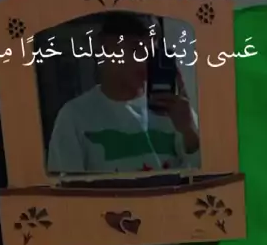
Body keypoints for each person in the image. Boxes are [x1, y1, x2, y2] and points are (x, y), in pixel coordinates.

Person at [47, 12, 199, 174]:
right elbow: (65, 187)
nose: (144, 61)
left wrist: (189, 132)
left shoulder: (175, 109)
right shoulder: (73, 117)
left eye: (150, 53)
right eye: (135, 49)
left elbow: (203, 175)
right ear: (105, 46)